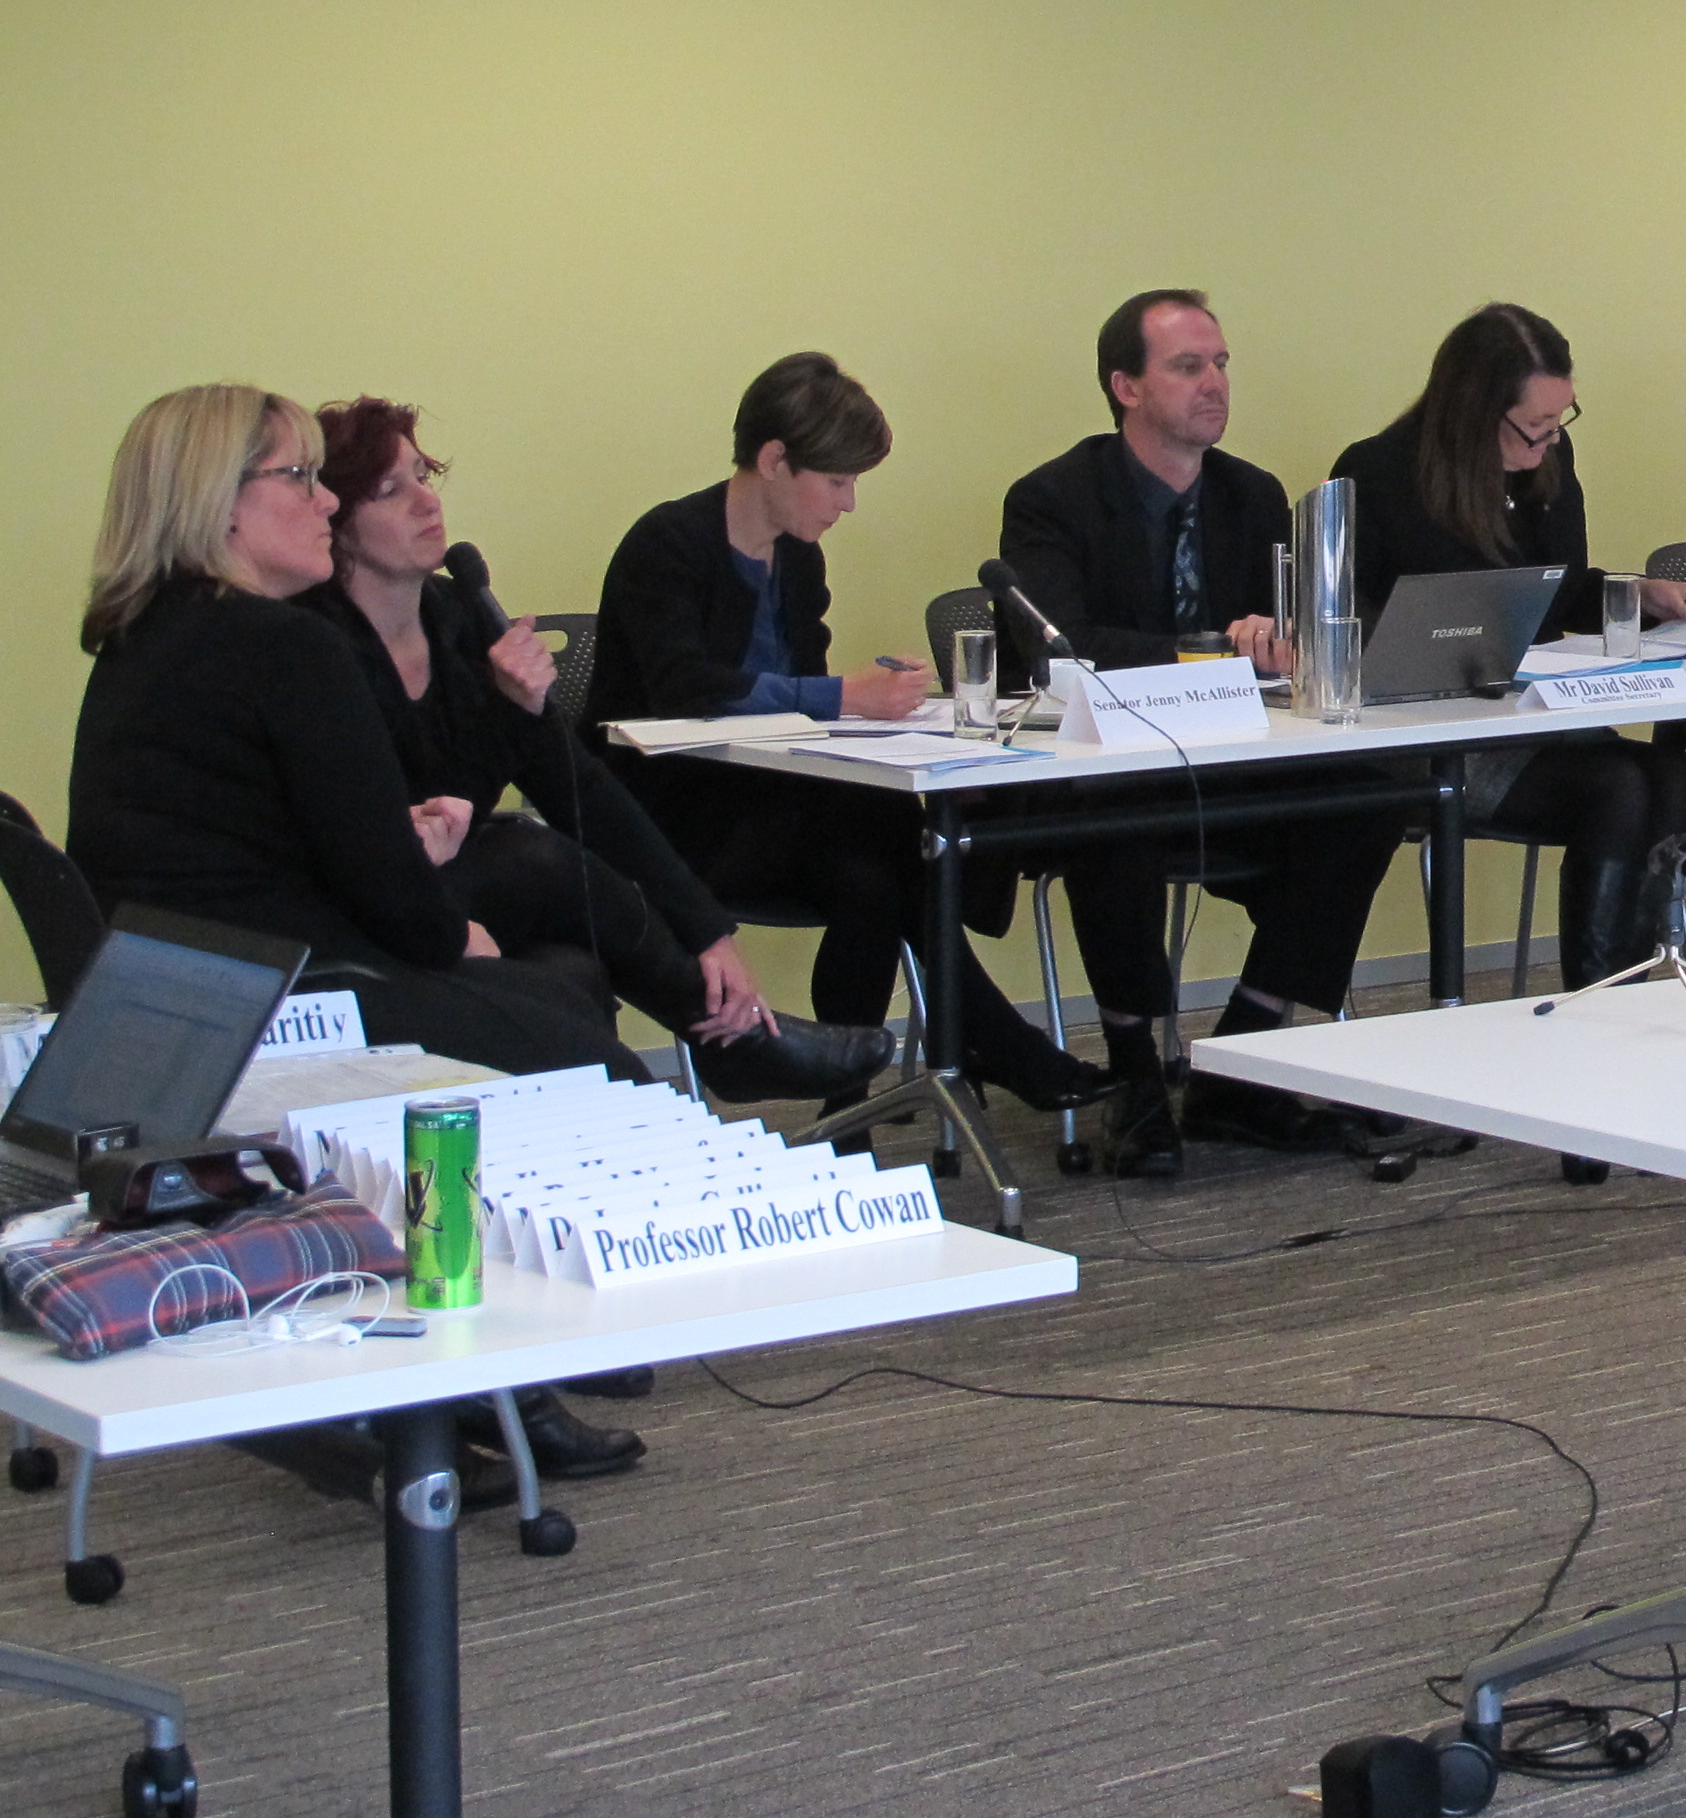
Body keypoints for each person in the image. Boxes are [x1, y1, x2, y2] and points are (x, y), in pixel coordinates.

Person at [68, 384, 657, 1479]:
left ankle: (489, 1387)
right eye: (297, 478)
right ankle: (489, 1380)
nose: (324, 506)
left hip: (174, 1008)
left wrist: (418, 888)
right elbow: (393, 897)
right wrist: (444, 919)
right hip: (285, 1005)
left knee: (543, 993)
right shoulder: (282, 648)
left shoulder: (141, 636)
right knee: (573, 1047)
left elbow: (257, 845)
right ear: (222, 507)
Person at [303, 395, 889, 1106]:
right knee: (529, 851)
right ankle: (720, 1058)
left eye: (426, 477)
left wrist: (708, 933)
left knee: (569, 969)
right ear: (335, 517)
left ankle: (644, 1124)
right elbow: (392, 823)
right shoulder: (313, 645)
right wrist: (507, 713)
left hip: (452, 880)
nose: (428, 504)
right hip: (358, 902)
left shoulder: (454, 617)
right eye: (393, 490)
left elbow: (573, 786)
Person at [588, 352, 1104, 1111]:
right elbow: (685, 689)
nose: (849, 503)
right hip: (673, 815)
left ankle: (852, 1099)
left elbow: (794, 712)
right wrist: (844, 697)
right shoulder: (667, 544)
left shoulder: (799, 560)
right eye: (836, 481)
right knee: (898, 854)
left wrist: (854, 701)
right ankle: (982, 1043)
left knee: (879, 872)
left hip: (772, 804)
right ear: (774, 461)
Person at [995, 290, 1412, 1173]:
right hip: (1111, 766)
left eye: (1222, 364)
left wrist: (1287, 642)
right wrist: (1213, 650)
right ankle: (1138, 1071)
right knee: (1117, 816)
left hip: (1237, 764)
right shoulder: (1053, 498)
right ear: (1126, 387)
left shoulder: (1252, 495)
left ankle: (1244, 1057)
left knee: (1373, 795)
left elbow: (1291, 629)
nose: (1215, 384)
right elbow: (1060, 642)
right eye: (1189, 367)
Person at [1334, 303, 1686, 997]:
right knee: (1620, 787)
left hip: (1531, 714)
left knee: (1675, 774)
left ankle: (1645, 980)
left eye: (1560, 421)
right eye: (1534, 426)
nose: (1549, 441)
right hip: (1428, 732)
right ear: (1473, 410)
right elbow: (1346, 622)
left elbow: (1555, 595)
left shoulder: (1544, 464)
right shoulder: (1378, 472)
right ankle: (1599, 999)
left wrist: (1636, 593)